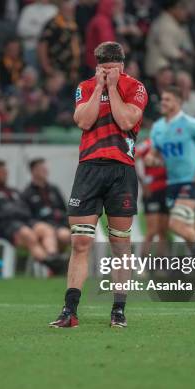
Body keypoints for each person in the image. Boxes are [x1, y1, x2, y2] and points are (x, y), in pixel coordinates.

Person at [49, 41, 147, 329]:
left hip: (122, 171)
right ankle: (70, 310)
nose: (108, 74)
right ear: (97, 66)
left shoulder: (136, 87)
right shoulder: (86, 86)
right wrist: (101, 88)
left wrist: (114, 88)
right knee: (80, 242)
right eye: (103, 69)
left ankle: (118, 310)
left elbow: (126, 119)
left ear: (122, 66)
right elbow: (83, 121)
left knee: (120, 244)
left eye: (113, 70)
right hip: (89, 169)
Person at [145, 87, 195, 257]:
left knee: (175, 225)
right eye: (163, 99)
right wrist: (152, 159)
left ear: (179, 102)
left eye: (168, 99)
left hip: (191, 181)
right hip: (172, 182)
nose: (163, 103)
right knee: (187, 229)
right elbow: (154, 152)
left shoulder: (191, 124)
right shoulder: (158, 127)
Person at [0, 160, 64, 272]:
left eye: (6, 172)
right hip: (7, 227)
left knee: (45, 229)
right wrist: (10, 213)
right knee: (28, 234)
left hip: (26, 222)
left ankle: (52, 256)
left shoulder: (14, 191)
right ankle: (52, 264)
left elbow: (26, 210)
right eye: (2, 172)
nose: (5, 174)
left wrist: (15, 212)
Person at [22, 158, 71, 251]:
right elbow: (27, 217)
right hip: (40, 226)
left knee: (70, 236)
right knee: (48, 233)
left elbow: (65, 210)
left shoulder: (54, 189)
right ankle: (53, 259)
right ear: (33, 171)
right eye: (42, 169)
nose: (45, 171)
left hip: (59, 225)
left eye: (45, 168)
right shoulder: (27, 193)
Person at [134, 138, 168, 261]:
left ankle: (160, 264)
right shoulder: (148, 144)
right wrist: (143, 182)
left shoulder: (172, 144)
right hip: (152, 191)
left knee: (163, 231)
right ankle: (142, 263)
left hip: (167, 190)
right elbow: (133, 157)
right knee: (152, 230)